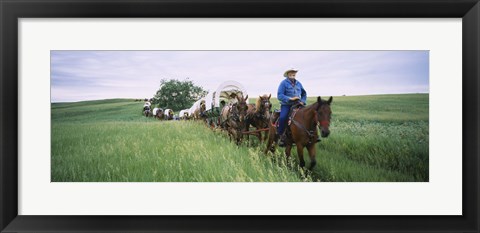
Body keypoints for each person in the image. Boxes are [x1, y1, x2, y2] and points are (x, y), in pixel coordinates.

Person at [277, 68, 307, 147]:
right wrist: (290, 98)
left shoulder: (298, 83)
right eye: (291, 72)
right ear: (288, 74)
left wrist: (303, 101)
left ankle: (311, 135)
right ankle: (281, 136)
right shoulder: (283, 83)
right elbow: (279, 95)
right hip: (287, 104)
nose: (293, 73)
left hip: (298, 104)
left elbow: (304, 93)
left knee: (308, 115)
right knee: (283, 118)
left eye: (294, 72)